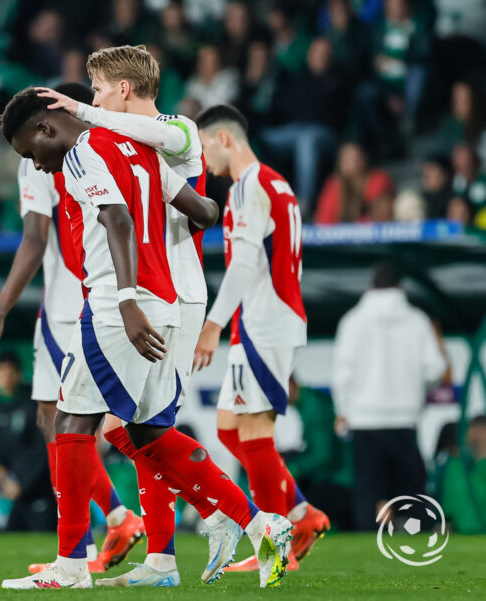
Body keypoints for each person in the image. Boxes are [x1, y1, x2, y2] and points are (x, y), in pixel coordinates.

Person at [0, 88, 291, 591]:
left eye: (30, 153)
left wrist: (128, 299)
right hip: (172, 298)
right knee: (144, 433)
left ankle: (70, 564)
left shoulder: (83, 152)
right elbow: (203, 210)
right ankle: (261, 524)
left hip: (118, 302)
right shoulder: (139, 148)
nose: (38, 167)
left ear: (46, 128)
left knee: (69, 417)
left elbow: (117, 220)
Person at [36, 43, 218, 587]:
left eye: (95, 88)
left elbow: (172, 172)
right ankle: (164, 558)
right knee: (133, 428)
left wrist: (80, 113)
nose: (89, 99)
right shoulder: (121, 145)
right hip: (156, 290)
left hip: (175, 293)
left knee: (143, 428)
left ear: (121, 89)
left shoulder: (176, 128)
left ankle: (234, 516)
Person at [0, 82, 147, 576]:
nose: (33, 161)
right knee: (75, 424)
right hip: (114, 299)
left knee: (66, 425)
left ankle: (89, 543)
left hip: (71, 307)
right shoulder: (113, 143)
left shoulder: (49, 157)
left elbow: (34, 237)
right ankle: (115, 520)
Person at [191, 104, 330, 573]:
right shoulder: (278, 183)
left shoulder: (249, 186)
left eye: (205, 145)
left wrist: (212, 325)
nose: (203, 158)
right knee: (232, 430)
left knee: (254, 435)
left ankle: (275, 551)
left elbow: (245, 263)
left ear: (224, 139)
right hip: (262, 320)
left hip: (263, 321)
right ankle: (299, 515)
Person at [332, 262, 448, 531]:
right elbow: (435, 369)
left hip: (364, 420)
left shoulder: (352, 321)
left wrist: (342, 410)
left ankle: (368, 547)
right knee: (412, 492)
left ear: (371, 285)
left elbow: (342, 373)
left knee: (369, 493)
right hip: (404, 419)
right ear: (400, 287)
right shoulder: (417, 320)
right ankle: (419, 544)